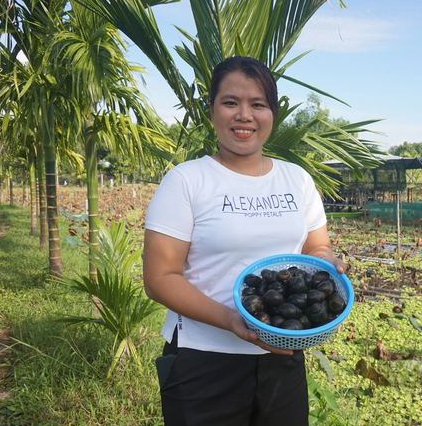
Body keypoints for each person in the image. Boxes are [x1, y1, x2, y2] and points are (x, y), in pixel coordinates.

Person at [142, 55, 346, 426]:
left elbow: (315, 249)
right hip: (202, 360)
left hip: (282, 352)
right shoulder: (186, 181)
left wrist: (327, 262)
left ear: (273, 113)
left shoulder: (297, 180)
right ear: (212, 110)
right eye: (230, 102)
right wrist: (232, 320)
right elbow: (159, 279)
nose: (244, 115)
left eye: (258, 104)